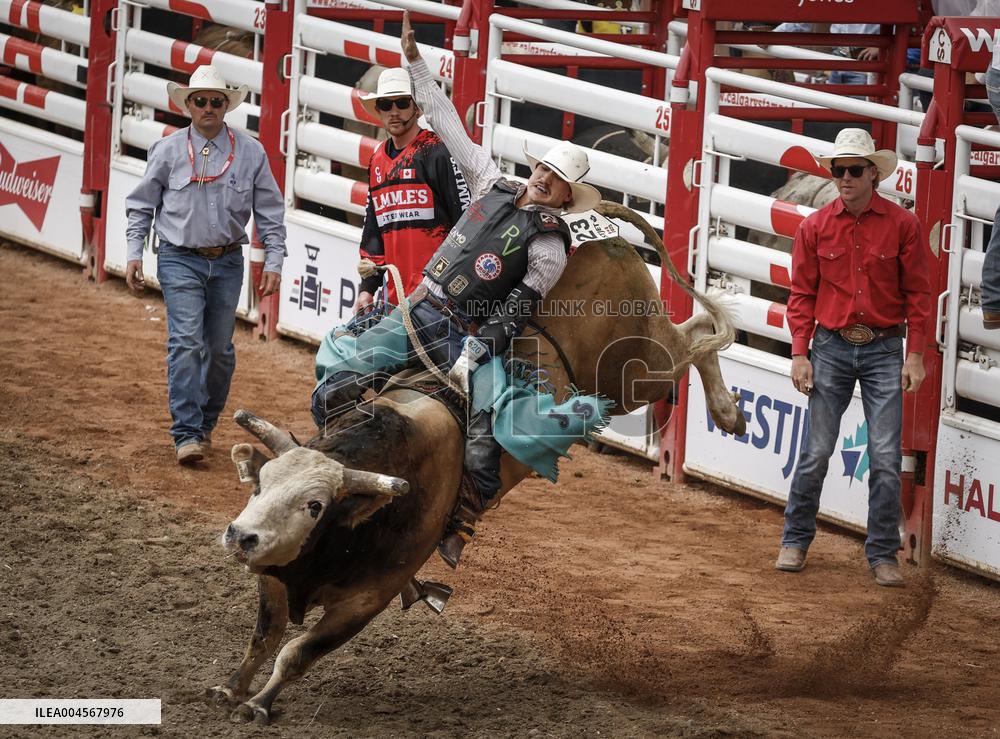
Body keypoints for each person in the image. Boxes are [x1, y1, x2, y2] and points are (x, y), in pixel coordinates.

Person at [312, 11, 602, 567]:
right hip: (418, 304)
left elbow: (520, 306)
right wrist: (416, 62)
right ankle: (327, 474)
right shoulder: (493, 182)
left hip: (461, 330)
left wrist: (478, 349)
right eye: (543, 168)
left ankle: (461, 519)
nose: (544, 178)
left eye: (557, 178)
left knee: (488, 425)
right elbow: (444, 120)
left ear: (567, 196)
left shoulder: (549, 244)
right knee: (334, 384)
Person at [776, 128, 931, 588]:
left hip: (884, 346)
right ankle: (796, 538)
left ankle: (882, 551)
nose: (844, 177)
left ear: (872, 175)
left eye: (853, 170)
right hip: (831, 344)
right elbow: (801, 294)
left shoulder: (903, 226)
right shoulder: (815, 226)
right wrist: (800, 353)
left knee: (884, 456)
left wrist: (916, 355)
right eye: (838, 169)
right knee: (817, 451)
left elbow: (919, 294)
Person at [125, 65, 286, 465]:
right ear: (189, 105)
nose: (209, 107)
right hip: (179, 258)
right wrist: (132, 253)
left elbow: (270, 212)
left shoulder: (250, 151)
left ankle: (205, 422)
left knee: (219, 350)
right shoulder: (167, 150)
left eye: (217, 101)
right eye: (201, 100)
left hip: (228, 259)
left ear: (226, 106)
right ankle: (187, 432)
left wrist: (275, 260)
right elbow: (141, 204)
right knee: (186, 343)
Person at [353, 67, 470, 311]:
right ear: (379, 110)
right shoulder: (377, 160)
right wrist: (367, 289)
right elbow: (373, 230)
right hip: (396, 298)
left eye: (402, 102)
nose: (394, 112)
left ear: (416, 108)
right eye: (386, 104)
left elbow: (465, 222)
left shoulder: (436, 152)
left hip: (438, 298)